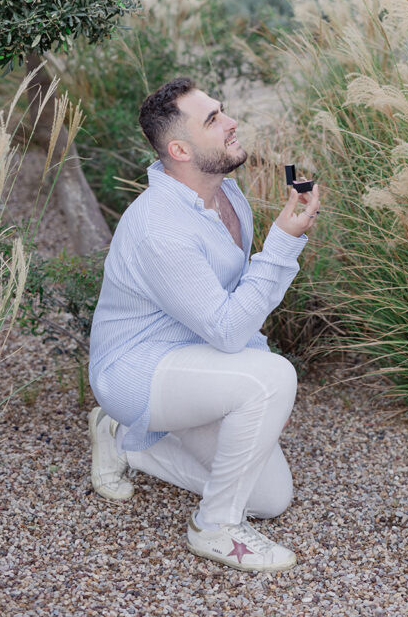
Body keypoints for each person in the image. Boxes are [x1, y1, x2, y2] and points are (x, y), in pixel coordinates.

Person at [87, 76, 320, 573]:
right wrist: (282, 242)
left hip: (195, 355)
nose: (231, 121)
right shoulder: (160, 226)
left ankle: (126, 438)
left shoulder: (228, 197)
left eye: (222, 110)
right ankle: (214, 526)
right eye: (213, 119)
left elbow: (230, 310)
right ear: (180, 148)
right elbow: (229, 329)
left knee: (271, 498)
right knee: (273, 377)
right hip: (137, 370)